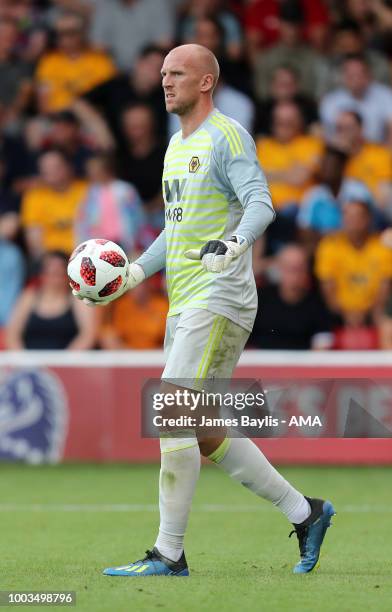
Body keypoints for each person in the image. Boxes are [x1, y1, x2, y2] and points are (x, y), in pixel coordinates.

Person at [75, 44, 335, 577]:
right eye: (164, 74)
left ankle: (169, 554)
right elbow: (176, 229)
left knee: (170, 412)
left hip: (219, 298)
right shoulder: (176, 146)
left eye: (178, 74)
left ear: (206, 83)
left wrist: (234, 245)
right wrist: (134, 275)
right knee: (202, 429)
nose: (165, 82)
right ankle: (306, 513)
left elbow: (261, 202)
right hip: (186, 300)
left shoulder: (228, 135)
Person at [315, 196, 392, 329]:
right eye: (348, 216)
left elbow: (384, 290)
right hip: (337, 315)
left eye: (358, 216)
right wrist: (346, 314)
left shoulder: (382, 247)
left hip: (373, 315)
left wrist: (365, 314)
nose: (353, 221)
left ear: (368, 219)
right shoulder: (329, 246)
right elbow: (328, 289)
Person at [6, 250, 97, 350]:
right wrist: (24, 361)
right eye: (49, 272)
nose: (53, 278)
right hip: (28, 362)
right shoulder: (29, 296)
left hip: (68, 362)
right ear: (41, 274)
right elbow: (12, 334)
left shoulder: (78, 299)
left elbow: (88, 334)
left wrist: (66, 360)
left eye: (58, 273)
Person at [248, 244, 332, 350]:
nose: (295, 275)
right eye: (289, 269)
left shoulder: (317, 303)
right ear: (278, 269)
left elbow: (322, 344)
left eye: (300, 269)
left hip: (302, 364)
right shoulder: (259, 299)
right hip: (262, 363)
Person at [35, 11, 116, 113]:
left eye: (70, 33)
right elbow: (44, 106)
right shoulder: (48, 61)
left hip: (91, 118)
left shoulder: (100, 60)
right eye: (60, 34)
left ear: (82, 33)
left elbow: (109, 100)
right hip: (58, 118)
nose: (64, 39)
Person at [21, 148, 87, 258]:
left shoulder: (88, 190)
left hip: (87, 255)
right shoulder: (34, 196)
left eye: (55, 167)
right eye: (44, 168)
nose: (49, 172)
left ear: (69, 167)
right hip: (51, 259)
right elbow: (34, 241)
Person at [76, 152, 146, 254]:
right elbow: (83, 222)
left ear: (107, 169)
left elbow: (138, 217)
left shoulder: (125, 190)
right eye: (90, 170)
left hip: (126, 242)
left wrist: (138, 241)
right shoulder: (89, 194)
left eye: (96, 170)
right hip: (100, 246)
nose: (92, 173)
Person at [320, 54, 392, 145]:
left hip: (376, 152)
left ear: (369, 75)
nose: (355, 79)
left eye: (359, 74)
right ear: (343, 76)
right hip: (342, 152)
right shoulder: (330, 101)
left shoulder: (386, 95)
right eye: (351, 75)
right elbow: (327, 134)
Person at [90, 0, 175, 71]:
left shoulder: (157, 4)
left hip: (147, 67)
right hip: (113, 68)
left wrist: (140, 63)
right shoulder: (106, 6)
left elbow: (164, 43)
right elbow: (96, 44)